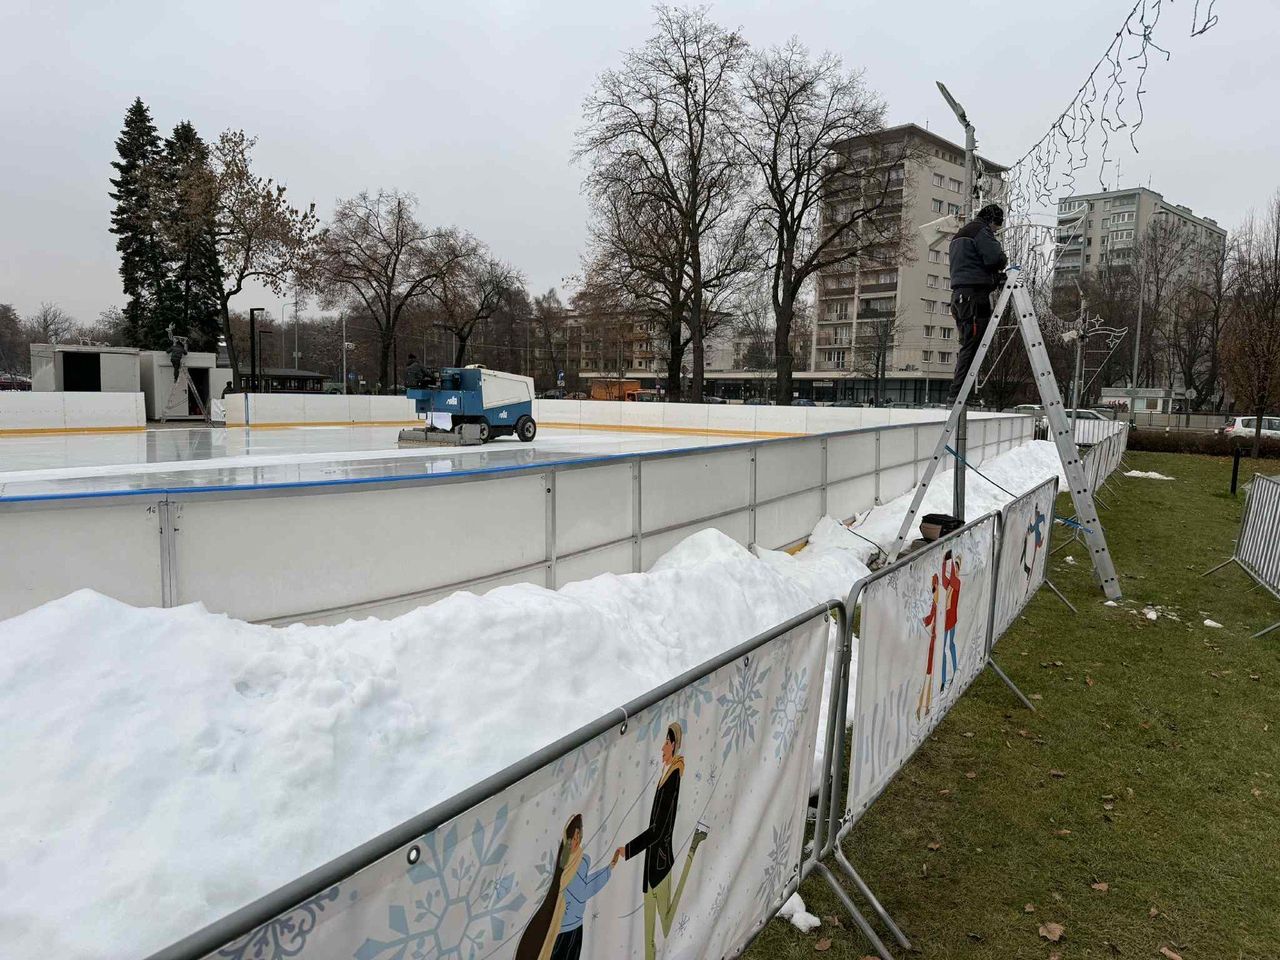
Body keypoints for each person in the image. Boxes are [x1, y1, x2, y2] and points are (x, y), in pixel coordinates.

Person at [615, 722, 709, 960]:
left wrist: (629, 849)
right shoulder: (665, 776)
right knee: (647, 937)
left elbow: (658, 830)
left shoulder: (673, 777)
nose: (662, 747)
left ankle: (692, 851)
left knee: (666, 926)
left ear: (674, 745)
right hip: (650, 867)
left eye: (666, 742)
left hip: (660, 865)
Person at [515, 814, 618, 960]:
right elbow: (582, 892)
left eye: (578, 836)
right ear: (567, 839)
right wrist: (607, 871)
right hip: (563, 929)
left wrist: (609, 868)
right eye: (573, 837)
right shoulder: (565, 863)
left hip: (577, 926)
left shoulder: (582, 860)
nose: (576, 841)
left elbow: (585, 885)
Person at [947, 203, 1008, 402]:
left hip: (960, 297)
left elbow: (973, 267)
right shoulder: (981, 231)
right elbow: (995, 259)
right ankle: (959, 393)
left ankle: (961, 392)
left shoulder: (959, 236)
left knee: (969, 344)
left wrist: (993, 279)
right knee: (972, 346)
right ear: (992, 220)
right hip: (974, 298)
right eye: (996, 227)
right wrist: (1002, 263)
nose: (995, 231)